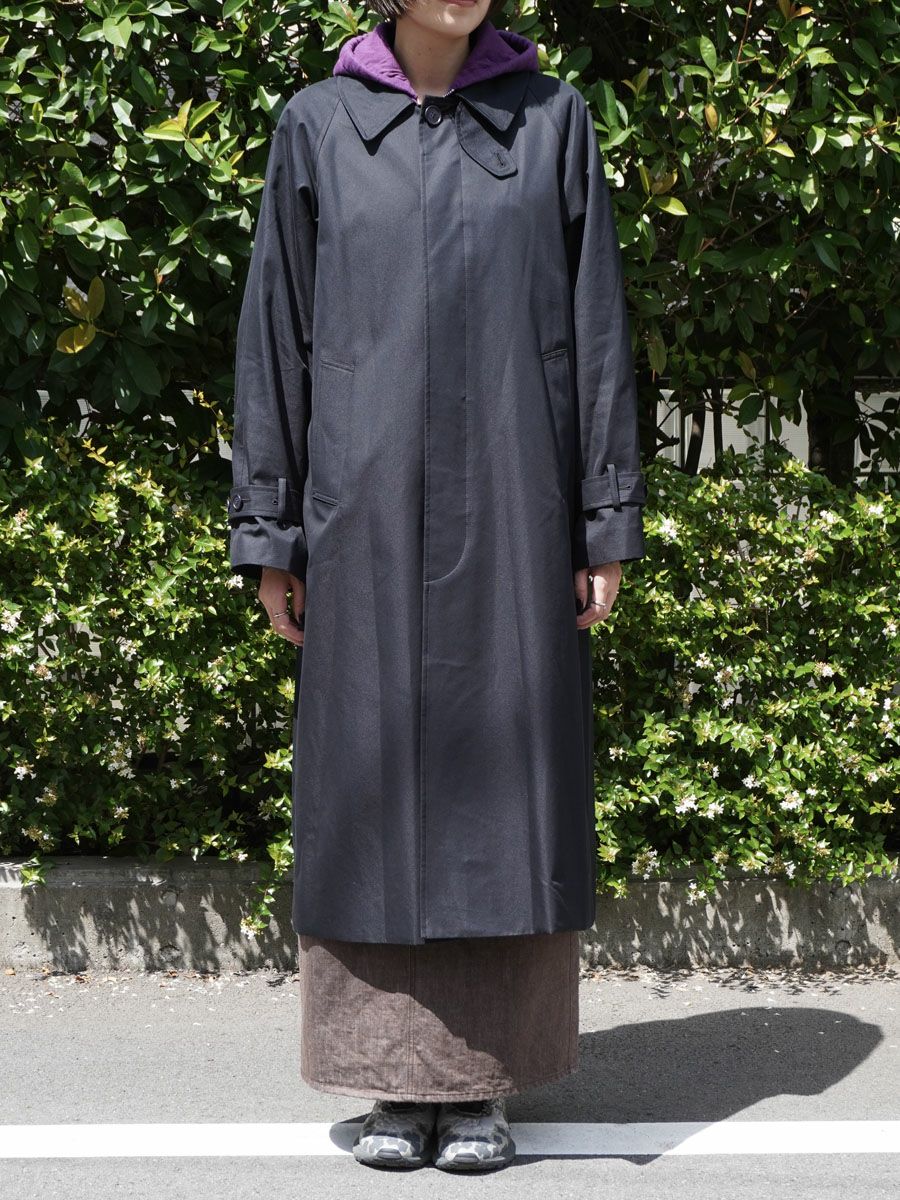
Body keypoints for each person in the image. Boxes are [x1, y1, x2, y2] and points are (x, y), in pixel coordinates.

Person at [227, 0, 648, 1173]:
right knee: (370, 781)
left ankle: (481, 1087)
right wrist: (270, 530)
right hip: (359, 510)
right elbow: (276, 331)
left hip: (517, 504)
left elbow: (596, 326)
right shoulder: (319, 125)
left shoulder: (551, 119)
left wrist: (604, 519)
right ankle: (387, 1081)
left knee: (505, 790)